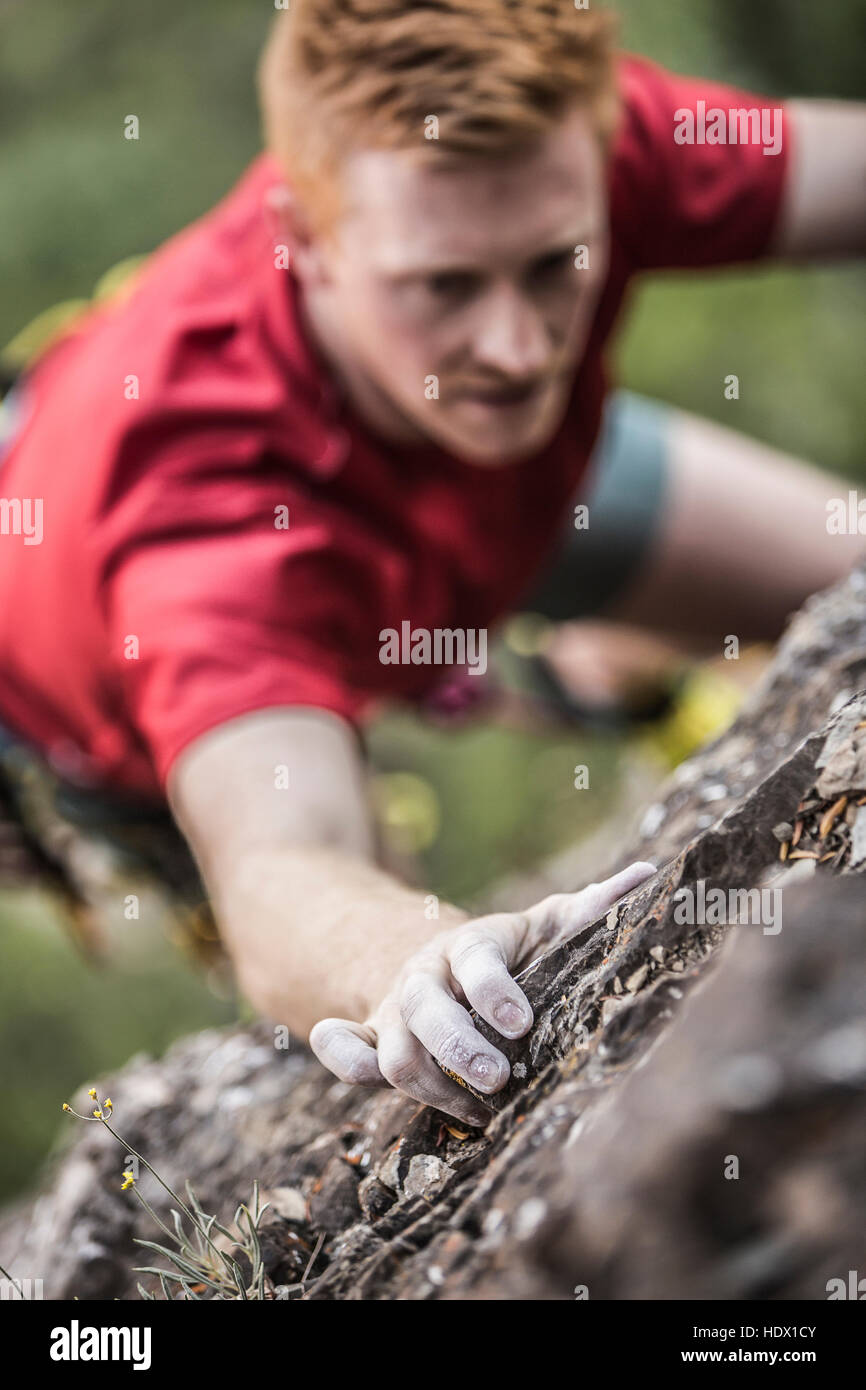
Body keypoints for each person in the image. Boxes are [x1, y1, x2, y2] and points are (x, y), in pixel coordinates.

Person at [0, 1, 863, 1125]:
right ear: (301, 243)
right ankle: (584, 661)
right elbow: (284, 873)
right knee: (382, 939)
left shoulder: (567, 150)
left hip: (478, 467)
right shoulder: (198, 510)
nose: (517, 345)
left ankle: (598, 659)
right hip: (112, 623)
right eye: (445, 285)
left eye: (557, 266)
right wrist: (424, 955)